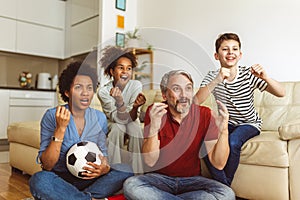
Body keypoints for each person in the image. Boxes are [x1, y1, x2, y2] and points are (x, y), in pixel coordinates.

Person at [123, 70, 235, 200]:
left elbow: (218, 164)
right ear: (164, 95)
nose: (184, 95)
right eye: (176, 89)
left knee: (227, 194)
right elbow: (150, 161)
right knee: (131, 185)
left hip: (192, 181)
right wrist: (153, 127)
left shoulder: (204, 114)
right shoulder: (155, 111)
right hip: (159, 180)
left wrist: (224, 130)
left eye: (188, 89)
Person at [29, 61, 133, 200]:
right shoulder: (52, 116)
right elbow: (47, 165)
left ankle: (75, 197)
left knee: (127, 170)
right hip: (60, 179)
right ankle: (88, 198)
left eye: (89, 88)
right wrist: (60, 129)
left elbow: (103, 155)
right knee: (39, 180)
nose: (85, 93)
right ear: (67, 91)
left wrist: (104, 169)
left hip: (90, 180)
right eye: (78, 87)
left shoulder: (100, 118)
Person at [194, 32, 286, 186]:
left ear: (240, 54)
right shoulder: (212, 76)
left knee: (233, 141)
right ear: (216, 56)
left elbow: (281, 93)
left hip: (249, 123)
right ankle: (224, 187)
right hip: (226, 123)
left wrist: (265, 77)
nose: (230, 52)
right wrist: (217, 80)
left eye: (234, 49)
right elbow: (196, 101)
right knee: (203, 144)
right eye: (225, 49)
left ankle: (224, 187)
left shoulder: (248, 75)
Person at [98, 46, 146, 173]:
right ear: (112, 71)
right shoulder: (103, 91)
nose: (125, 72)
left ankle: (138, 174)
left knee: (135, 128)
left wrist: (135, 107)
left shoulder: (136, 85)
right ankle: (114, 174)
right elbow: (118, 119)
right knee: (117, 129)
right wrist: (119, 101)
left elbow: (131, 118)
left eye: (129, 68)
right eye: (121, 68)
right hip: (112, 122)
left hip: (131, 119)